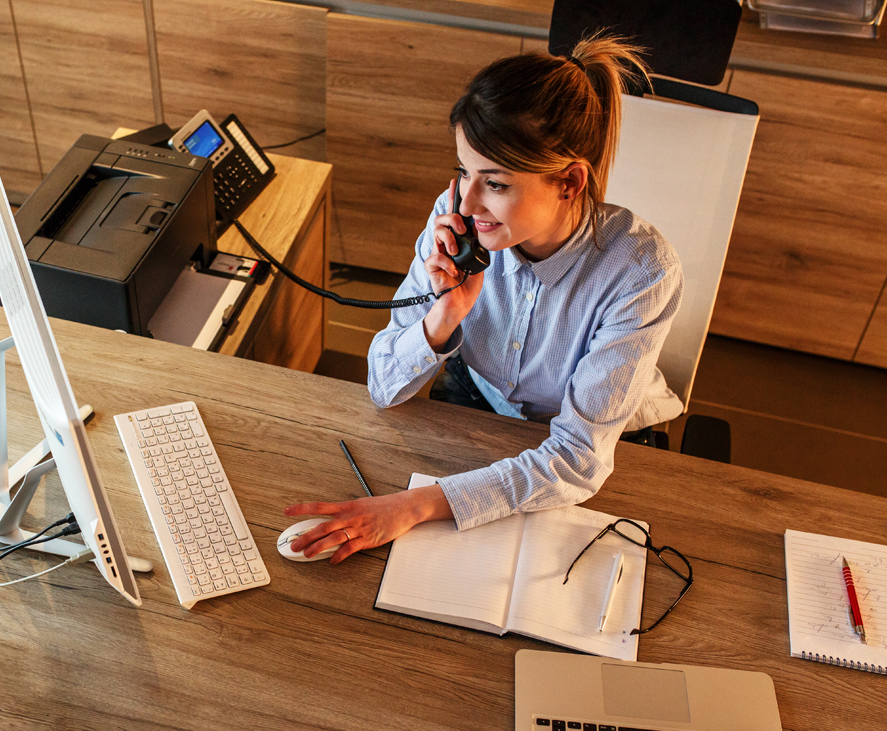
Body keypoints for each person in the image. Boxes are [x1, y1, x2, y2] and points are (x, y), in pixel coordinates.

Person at [287, 35, 684, 563]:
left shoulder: (639, 271)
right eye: (463, 172)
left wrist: (416, 506)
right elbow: (384, 388)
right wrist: (444, 314)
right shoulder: (456, 220)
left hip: (594, 443)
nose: (468, 202)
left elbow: (577, 460)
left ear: (569, 182)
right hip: (482, 405)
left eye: (494, 183)